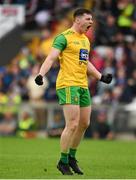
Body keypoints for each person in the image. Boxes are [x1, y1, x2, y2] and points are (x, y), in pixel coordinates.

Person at [35, 8, 112, 175]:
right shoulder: (63, 38)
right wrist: (41, 74)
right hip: (68, 84)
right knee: (72, 124)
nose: (91, 22)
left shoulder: (85, 40)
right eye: (88, 19)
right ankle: (62, 162)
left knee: (84, 124)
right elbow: (51, 57)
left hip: (82, 85)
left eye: (92, 20)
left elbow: (86, 63)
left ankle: (71, 158)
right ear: (77, 20)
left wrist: (100, 76)